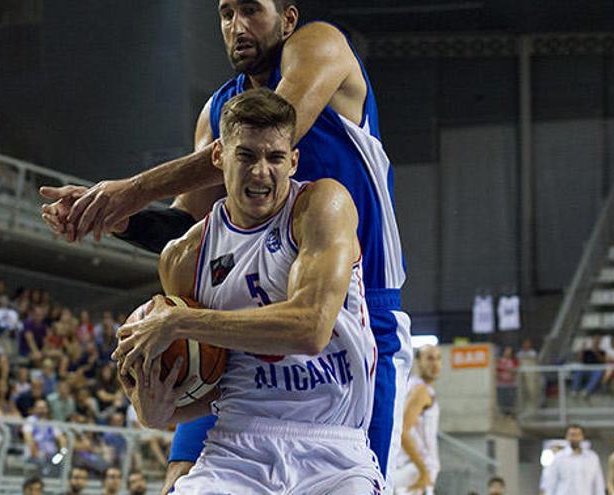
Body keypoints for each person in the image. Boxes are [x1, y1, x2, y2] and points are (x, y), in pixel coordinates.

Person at [40, 1, 410, 491]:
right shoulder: (217, 113)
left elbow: (275, 127)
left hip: (351, 320)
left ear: (289, 18)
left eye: (252, 10)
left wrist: (130, 189)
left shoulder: (319, 46)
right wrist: (117, 217)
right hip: (241, 342)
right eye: (226, 13)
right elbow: (189, 228)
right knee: (179, 478)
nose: (238, 26)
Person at [113, 89, 382, 493]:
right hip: (237, 449)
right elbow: (216, 379)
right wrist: (159, 411)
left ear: (293, 161)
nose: (261, 172)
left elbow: (308, 330)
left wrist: (181, 321)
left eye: (275, 157)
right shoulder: (184, 257)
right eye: (247, 156)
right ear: (219, 156)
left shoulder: (322, 206)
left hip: (333, 447)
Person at [392, 345, 441, 495]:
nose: (435, 364)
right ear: (418, 361)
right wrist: (423, 470)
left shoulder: (410, 386)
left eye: (438, 358)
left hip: (410, 467)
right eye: (430, 358)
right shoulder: (421, 390)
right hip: (414, 469)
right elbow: (402, 430)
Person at [542, 424, 605, 495]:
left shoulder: (592, 458)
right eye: (572, 435)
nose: (575, 438)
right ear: (567, 437)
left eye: (578, 435)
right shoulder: (559, 458)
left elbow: (598, 483)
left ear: (582, 437)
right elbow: (551, 484)